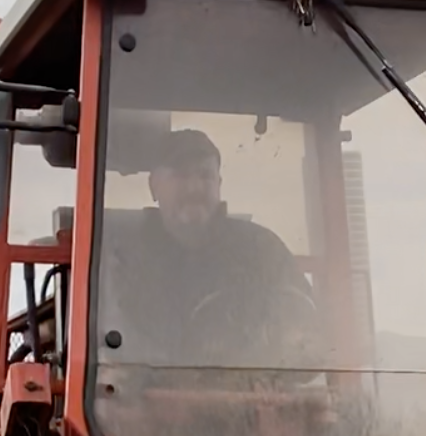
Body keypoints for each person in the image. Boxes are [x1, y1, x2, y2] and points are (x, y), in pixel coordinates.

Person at [99, 128, 324, 369]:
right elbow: (105, 346)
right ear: (154, 185)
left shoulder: (262, 250)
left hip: (244, 398)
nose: (194, 187)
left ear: (219, 184)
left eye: (205, 176)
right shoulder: (120, 259)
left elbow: (306, 333)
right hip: (146, 399)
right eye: (181, 175)